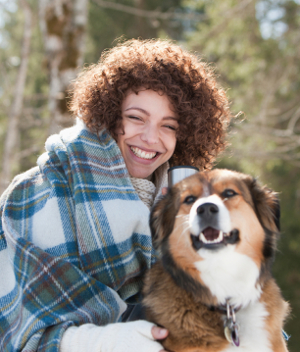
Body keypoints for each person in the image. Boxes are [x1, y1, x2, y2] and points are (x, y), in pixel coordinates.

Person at [0, 39, 231, 352]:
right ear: (109, 115)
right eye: (136, 118)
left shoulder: (187, 206)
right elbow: (12, 323)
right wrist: (91, 342)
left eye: (169, 125)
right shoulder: (35, 193)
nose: (151, 138)